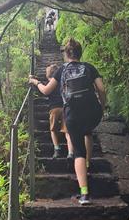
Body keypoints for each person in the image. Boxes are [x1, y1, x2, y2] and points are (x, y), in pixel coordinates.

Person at [29, 39, 105, 205]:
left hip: (72, 114)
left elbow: (46, 90)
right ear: (80, 53)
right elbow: (101, 89)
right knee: (88, 132)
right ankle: (88, 164)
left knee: (78, 151)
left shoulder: (62, 70)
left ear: (66, 54)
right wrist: (102, 107)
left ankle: (84, 194)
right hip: (92, 112)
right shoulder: (89, 67)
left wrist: (35, 82)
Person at [40, 64, 73, 159]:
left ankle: (57, 149)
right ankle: (70, 152)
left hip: (54, 109)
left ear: (48, 74)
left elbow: (44, 90)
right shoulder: (63, 82)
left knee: (53, 130)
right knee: (67, 131)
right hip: (65, 108)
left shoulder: (48, 84)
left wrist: (35, 82)